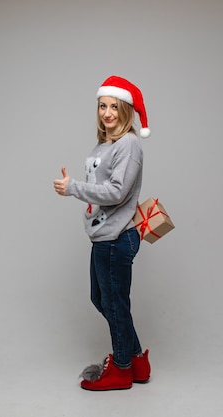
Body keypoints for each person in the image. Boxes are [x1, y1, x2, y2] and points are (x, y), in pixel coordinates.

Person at [53, 75, 152, 391]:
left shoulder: (129, 144)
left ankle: (122, 370)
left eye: (114, 106)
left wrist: (74, 189)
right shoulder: (106, 143)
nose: (107, 112)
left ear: (126, 111)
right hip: (103, 236)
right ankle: (136, 359)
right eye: (102, 106)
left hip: (117, 237)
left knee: (113, 302)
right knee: (105, 300)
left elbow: (117, 192)